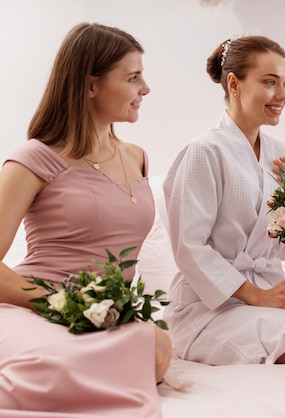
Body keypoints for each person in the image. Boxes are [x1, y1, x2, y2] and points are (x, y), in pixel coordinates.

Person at [0, 23, 172, 417]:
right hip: (30, 310)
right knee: (56, 363)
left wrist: (102, 311)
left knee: (158, 349)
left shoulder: (137, 157)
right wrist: (63, 304)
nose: (145, 88)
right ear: (90, 85)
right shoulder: (32, 159)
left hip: (105, 317)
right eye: (133, 78)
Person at [162, 35, 285, 366]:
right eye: (270, 82)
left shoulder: (284, 157)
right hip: (209, 306)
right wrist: (258, 296)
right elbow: (189, 247)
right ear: (234, 83)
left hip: (272, 292)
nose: (282, 95)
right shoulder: (205, 151)